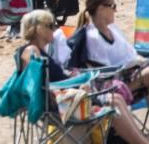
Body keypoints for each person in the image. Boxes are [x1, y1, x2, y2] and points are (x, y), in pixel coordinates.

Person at [17, 10, 149, 144]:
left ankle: (142, 140)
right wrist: (72, 88)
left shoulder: (42, 51)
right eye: (50, 26)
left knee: (117, 99)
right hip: (63, 104)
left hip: (70, 97)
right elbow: (37, 82)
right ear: (38, 29)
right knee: (113, 102)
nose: (55, 29)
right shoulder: (31, 50)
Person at [73, 0, 149, 90]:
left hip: (130, 72)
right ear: (101, 9)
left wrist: (140, 61)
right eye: (113, 6)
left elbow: (130, 53)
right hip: (113, 82)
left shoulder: (113, 29)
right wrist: (136, 63)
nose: (115, 10)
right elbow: (104, 70)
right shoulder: (92, 37)